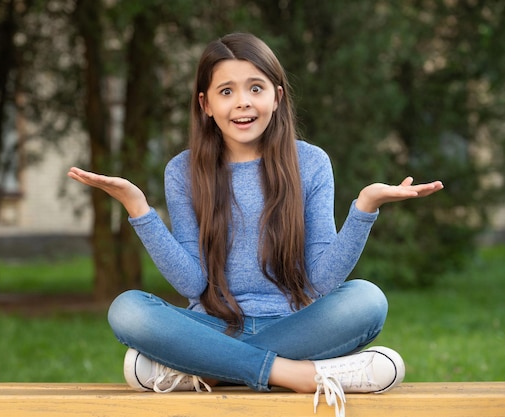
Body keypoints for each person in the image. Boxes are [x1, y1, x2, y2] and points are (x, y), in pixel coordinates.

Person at [68, 32, 443, 417]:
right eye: (226, 91)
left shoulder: (310, 163)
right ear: (206, 104)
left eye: (255, 88)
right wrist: (138, 208)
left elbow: (321, 282)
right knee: (127, 309)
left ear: (277, 97)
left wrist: (365, 207)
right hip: (212, 328)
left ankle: (209, 370)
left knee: (367, 299)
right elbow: (192, 284)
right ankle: (296, 374)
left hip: (296, 326)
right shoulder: (182, 171)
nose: (243, 102)